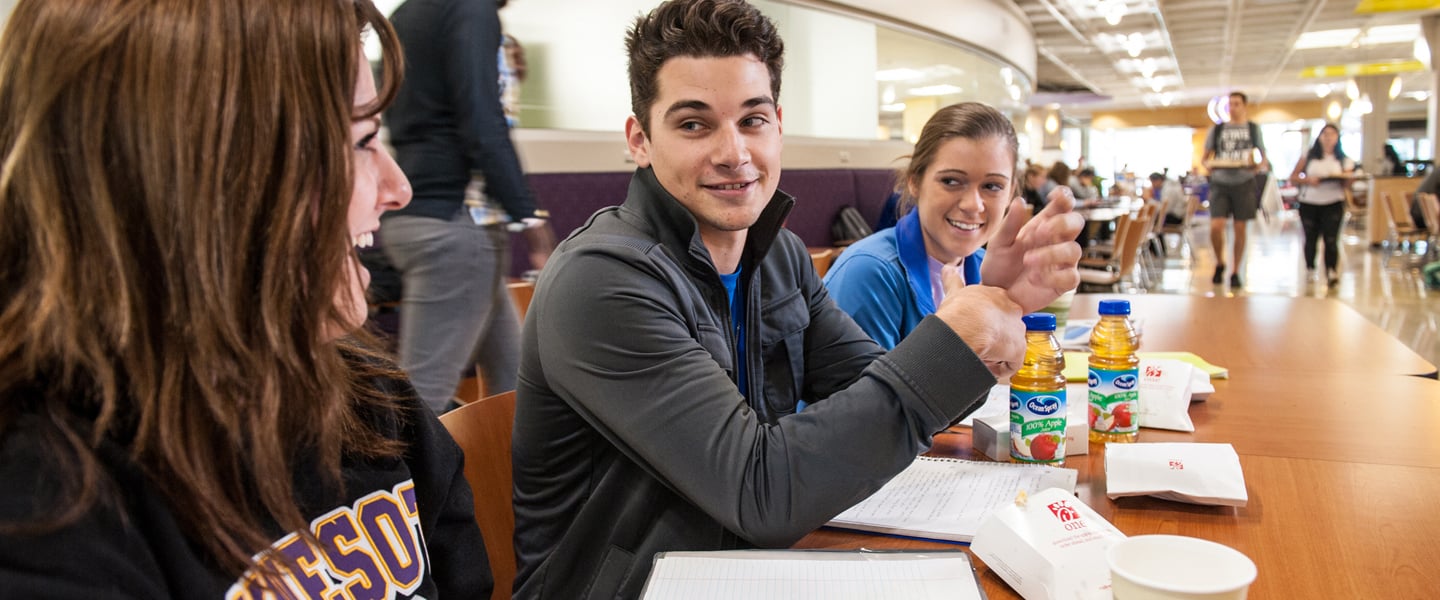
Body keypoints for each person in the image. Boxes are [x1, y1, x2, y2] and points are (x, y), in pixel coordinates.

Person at [509, 1, 1083, 597]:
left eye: (752, 120)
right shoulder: (601, 281)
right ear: (640, 140)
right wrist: (955, 334)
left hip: (747, 566)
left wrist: (995, 303)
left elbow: (896, 391)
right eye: (693, 124)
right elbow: (761, 490)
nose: (734, 153)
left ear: (778, 124)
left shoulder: (778, 256)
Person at [0, 0, 489, 597]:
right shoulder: (46, 510)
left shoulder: (371, 396)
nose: (398, 187)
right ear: (207, 183)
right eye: (361, 143)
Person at [383, 0, 548, 413]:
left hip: (416, 215)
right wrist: (528, 214)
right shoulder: (470, 9)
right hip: (456, 225)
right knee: (418, 407)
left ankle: (512, 477)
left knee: (519, 386)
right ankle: (393, 480)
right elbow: (482, 120)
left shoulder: (405, 14)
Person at [823, 103, 1080, 349]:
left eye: (992, 186)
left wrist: (1009, 304)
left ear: (1011, 193)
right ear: (915, 181)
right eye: (951, 181)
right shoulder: (869, 271)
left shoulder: (986, 269)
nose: (973, 205)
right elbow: (867, 394)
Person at [1202, 91, 1269, 289]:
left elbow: (1263, 157)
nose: (1233, 107)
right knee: (1216, 226)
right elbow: (1205, 158)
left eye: (1237, 104)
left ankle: (1235, 270)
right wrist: (1211, 165)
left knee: (1240, 228)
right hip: (1221, 182)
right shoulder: (1218, 130)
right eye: (1230, 104)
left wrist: (1256, 167)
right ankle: (1220, 263)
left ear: (1244, 106)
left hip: (1244, 182)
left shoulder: (1253, 129)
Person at [1287, 123, 1355, 287]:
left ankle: (1331, 270)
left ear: (1337, 138)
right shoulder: (1309, 156)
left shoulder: (1344, 160)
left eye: (1332, 134)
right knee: (1310, 238)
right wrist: (1308, 180)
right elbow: (1293, 177)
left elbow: (1347, 184)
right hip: (1310, 201)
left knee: (1331, 239)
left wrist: (1345, 178)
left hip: (1333, 202)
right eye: (1325, 134)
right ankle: (1310, 268)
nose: (1328, 138)